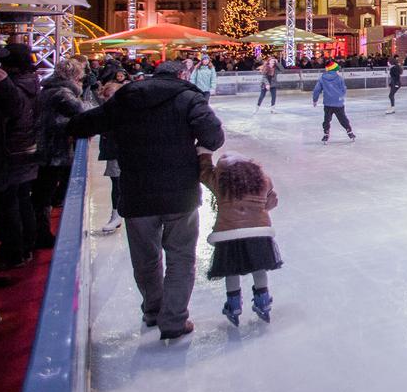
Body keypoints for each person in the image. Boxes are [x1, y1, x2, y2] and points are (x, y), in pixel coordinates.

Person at [68, 60, 225, 341]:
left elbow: (87, 123)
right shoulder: (189, 97)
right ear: (182, 75)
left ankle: (154, 310)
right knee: (180, 257)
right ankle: (174, 319)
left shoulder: (129, 96)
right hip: (180, 193)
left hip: (137, 190)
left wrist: (66, 125)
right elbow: (213, 135)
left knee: (145, 257)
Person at [198, 150, 283, 325]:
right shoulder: (262, 179)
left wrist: (204, 154)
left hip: (229, 232)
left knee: (231, 270)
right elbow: (272, 200)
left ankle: (234, 305)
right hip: (259, 232)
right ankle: (264, 301)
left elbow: (203, 173)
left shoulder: (221, 181)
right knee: (259, 268)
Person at [0, 42, 40, 269]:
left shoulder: (10, 85)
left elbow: (14, 111)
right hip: (25, 148)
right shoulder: (31, 83)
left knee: (9, 203)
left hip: (11, 151)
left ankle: (15, 251)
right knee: (21, 200)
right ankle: (25, 245)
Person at [33, 57, 88, 249]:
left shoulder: (49, 90)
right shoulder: (62, 93)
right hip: (52, 151)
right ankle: (41, 234)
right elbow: (83, 110)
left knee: (43, 193)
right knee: (44, 194)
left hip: (48, 149)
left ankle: (39, 231)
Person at [96, 67, 129, 233]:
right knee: (116, 183)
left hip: (128, 152)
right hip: (114, 152)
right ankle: (116, 214)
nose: (108, 100)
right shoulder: (103, 112)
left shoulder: (129, 111)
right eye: (106, 97)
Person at [312, 61, 356, 143]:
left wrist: (315, 100)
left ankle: (326, 133)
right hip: (338, 103)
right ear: (335, 70)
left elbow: (316, 90)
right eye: (337, 69)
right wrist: (341, 97)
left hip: (328, 103)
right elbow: (343, 89)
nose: (338, 71)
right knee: (343, 119)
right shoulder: (339, 78)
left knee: (327, 119)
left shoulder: (322, 78)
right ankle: (349, 130)